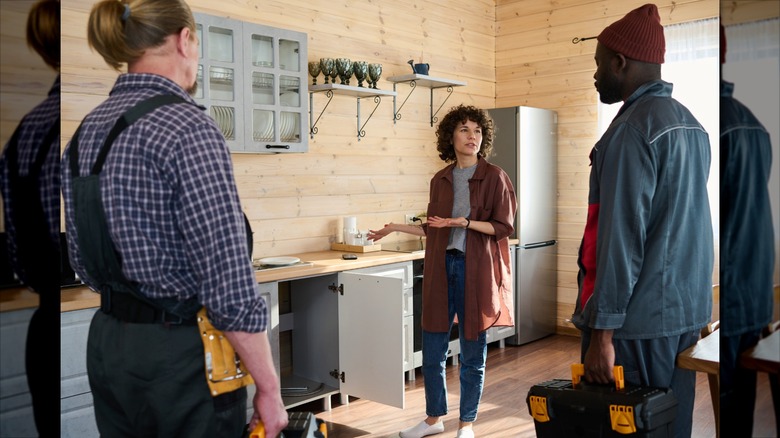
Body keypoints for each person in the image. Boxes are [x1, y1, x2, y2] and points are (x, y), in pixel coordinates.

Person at [59, 0, 286, 436]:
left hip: (108, 346)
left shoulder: (86, 131)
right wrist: (270, 388)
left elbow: (84, 264)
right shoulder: (188, 127)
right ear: (185, 40)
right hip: (183, 355)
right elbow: (230, 286)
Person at [571, 4, 713, 438]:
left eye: (598, 64)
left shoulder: (631, 131)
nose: (595, 75)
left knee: (626, 428)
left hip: (638, 325)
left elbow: (620, 241)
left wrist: (602, 335)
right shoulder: (693, 126)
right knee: (671, 425)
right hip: (684, 318)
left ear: (620, 62)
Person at [368, 104, 517, 438]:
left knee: (471, 354)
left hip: (474, 270)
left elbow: (503, 226)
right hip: (441, 266)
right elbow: (434, 228)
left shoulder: (495, 177)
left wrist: (463, 222)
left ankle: (467, 424)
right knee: (432, 351)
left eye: (477, 131)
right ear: (450, 137)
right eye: (464, 130)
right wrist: (393, 227)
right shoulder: (441, 179)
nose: (472, 136)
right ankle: (434, 419)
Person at [0, 0, 60, 434]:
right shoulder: (79, 125)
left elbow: (18, 253)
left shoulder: (26, 128)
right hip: (96, 318)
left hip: (41, 326)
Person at [718, 24, 776, 438]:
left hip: (736, 289)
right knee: (741, 400)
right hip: (757, 285)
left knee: (731, 400)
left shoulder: (722, 123)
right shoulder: (753, 123)